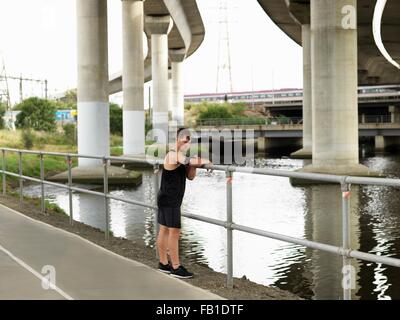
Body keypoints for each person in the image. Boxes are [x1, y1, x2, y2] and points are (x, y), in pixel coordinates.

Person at [156, 128, 211, 279]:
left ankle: (163, 263)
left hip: (168, 198)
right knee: (173, 232)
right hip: (169, 199)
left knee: (165, 229)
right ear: (178, 139)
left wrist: (194, 166)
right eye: (185, 139)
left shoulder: (181, 156)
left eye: (190, 140)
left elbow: (190, 176)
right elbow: (189, 161)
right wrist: (204, 161)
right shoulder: (173, 154)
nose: (188, 142)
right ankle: (176, 267)